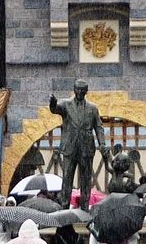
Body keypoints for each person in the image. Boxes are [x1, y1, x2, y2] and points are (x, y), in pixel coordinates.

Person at [47, 81, 108, 209]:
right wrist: (52, 103)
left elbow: (99, 127)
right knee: (67, 178)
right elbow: (55, 109)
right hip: (70, 147)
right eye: (78, 89)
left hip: (86, 148)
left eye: (82, 90)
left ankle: (85, 207)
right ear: (74, 90)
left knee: (86, 179)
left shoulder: (93, 108)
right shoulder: (66, 104)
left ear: (86, 91)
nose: (80, 92)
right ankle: (64, 206)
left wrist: (102, 143)